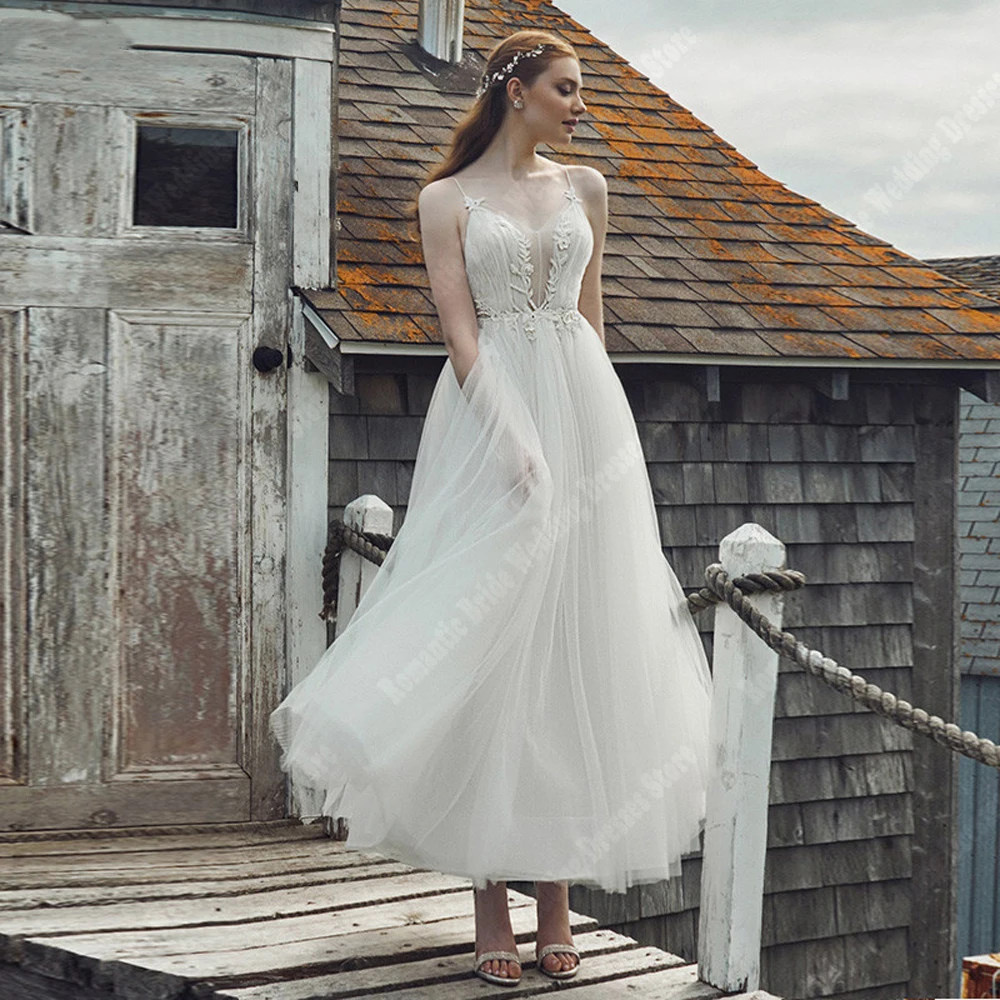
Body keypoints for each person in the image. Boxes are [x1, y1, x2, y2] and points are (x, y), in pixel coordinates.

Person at [270, 28, 714, 988]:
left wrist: (600, 439)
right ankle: (488, 903)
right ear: (516, 91)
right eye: (567, 88)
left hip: (586, 409)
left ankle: (557, 903)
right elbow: (461, 334)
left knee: (577, 650)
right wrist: (513, 437)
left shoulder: (586, 187)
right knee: (490, 644)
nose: (579, 104)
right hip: (492, 418)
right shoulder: (447, 200)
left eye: (580, 90)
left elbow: (591, 323)